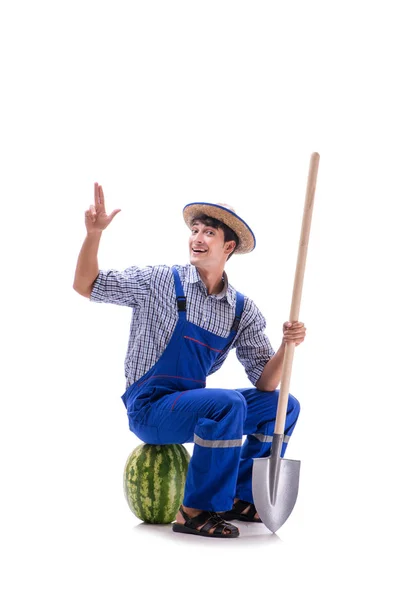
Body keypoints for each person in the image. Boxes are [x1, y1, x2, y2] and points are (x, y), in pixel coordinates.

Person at [73, 182, 306, 538]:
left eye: (208, 232)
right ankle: (195, 510)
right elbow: (86, 284)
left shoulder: (241, 311)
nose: (197, 237)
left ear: (228, 246)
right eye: (195, 230)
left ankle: (242, 497)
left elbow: (266, 383)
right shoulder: (160, 281)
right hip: (150, 410)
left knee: (284, 406)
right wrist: (94, 234)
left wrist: (287, 346)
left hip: (194, 407)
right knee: (226, 404)